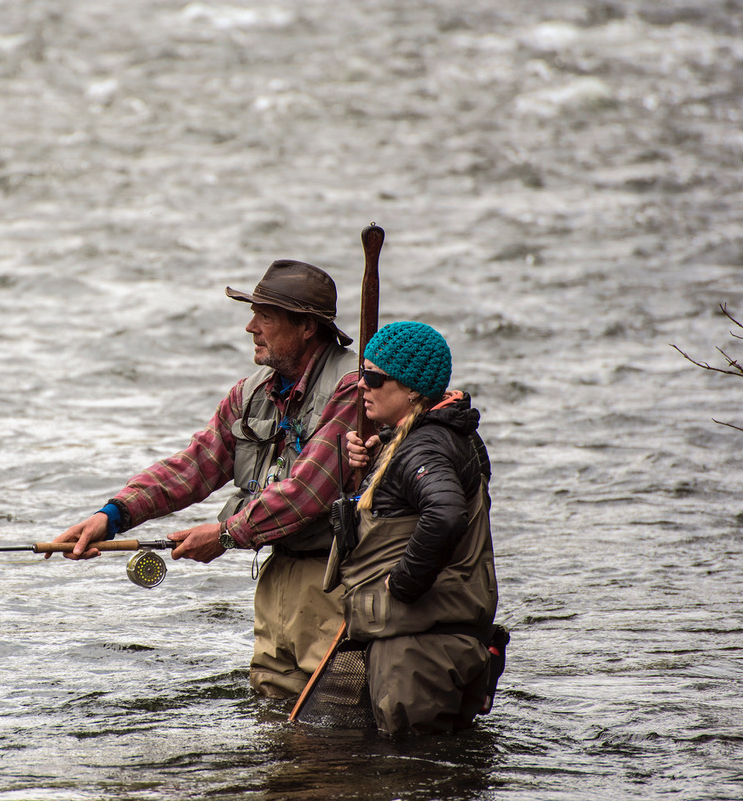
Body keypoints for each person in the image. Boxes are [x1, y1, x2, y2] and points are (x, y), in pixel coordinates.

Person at [52, 259, 361, 697]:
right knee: (274, 726)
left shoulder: (352, 388)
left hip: (340, 579)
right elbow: (195, 466)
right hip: (277, 582)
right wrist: (114, 514)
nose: (251, 327)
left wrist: (226, 535)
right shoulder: (251, 392)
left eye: (265, 316)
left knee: (335, 729)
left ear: (307, 326)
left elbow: (308, 493)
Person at [335, 320, 500, 734]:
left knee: (405, 775)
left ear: (412, 390)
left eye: (374, 378)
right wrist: (383, 457)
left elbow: (445, 514)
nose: (361, 387)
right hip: (447, 641)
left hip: (416, 652)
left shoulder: (422, 447)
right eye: (361, 374)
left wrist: (403, 584)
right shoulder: (449, 435)